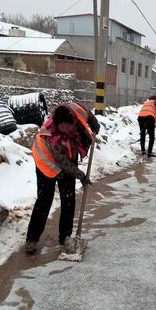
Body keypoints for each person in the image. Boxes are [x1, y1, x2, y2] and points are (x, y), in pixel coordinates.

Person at [24, 103, 100, 255]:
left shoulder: (75, 112)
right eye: (63, 127)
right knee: (44, 199)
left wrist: (94, 124)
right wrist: (81, 176)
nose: (67, 130)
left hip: (67, 154)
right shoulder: (50, 135)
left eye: (69, 126)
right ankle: (32, 239)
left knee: (69, 199)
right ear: (57, 125)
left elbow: (88, 114)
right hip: (45, 161)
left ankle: (65, 236)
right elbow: (64, 163)